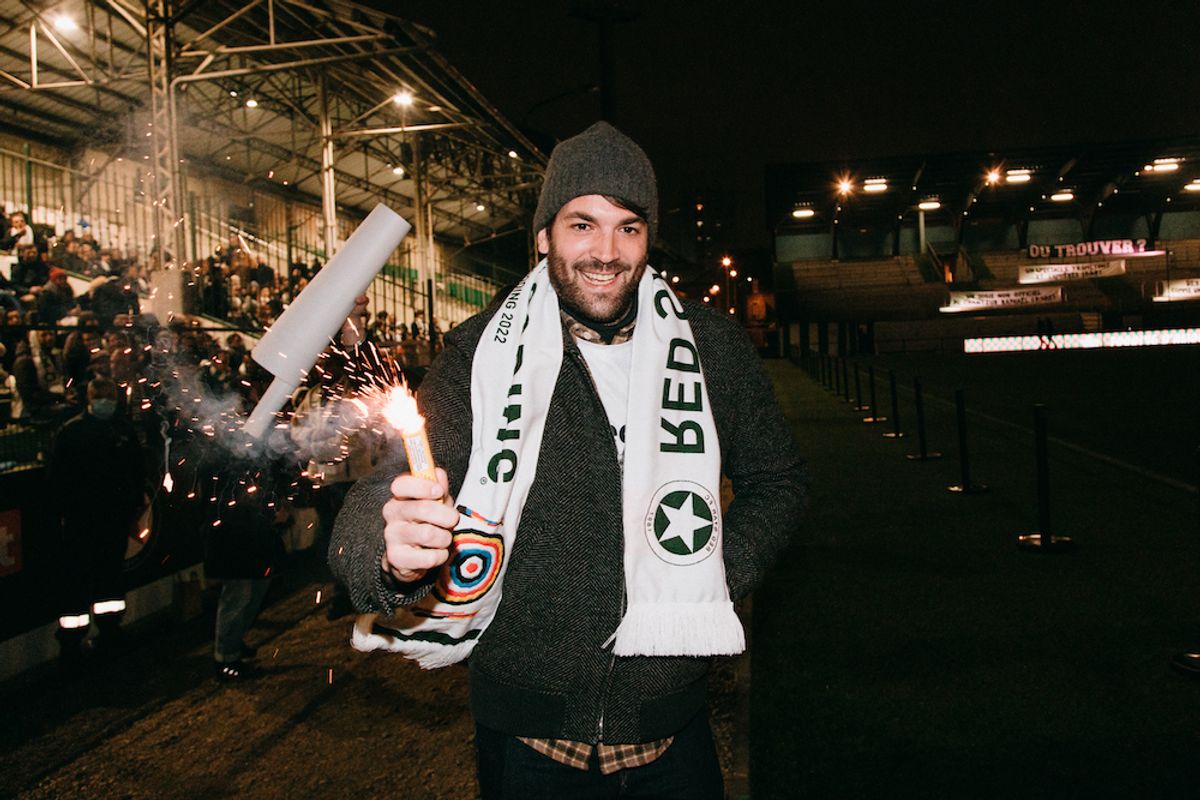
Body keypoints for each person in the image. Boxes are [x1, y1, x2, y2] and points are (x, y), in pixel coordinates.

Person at [330, 121, 807, 798]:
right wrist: (386, 552)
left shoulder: (713, 346)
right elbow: (387, 487)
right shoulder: (478, 352)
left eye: (628, 227)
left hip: (674, 734)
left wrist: (715, 571)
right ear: (544, 235)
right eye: (583, 225)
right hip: (526, 743)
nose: (607, 252)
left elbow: (779, 481)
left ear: (648, 238)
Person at [51, 376, 145, 670]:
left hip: (112, 520)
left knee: (110, 577)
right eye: (101, 395)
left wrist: (132, 505)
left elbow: (136, 471)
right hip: (82, 521)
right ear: (89, 398)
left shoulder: (122, 430)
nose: (106, 401)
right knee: (78, 581)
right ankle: (71, 646)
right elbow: (58, 479)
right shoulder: (73, 432)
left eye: (110, 395)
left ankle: (109, 633)